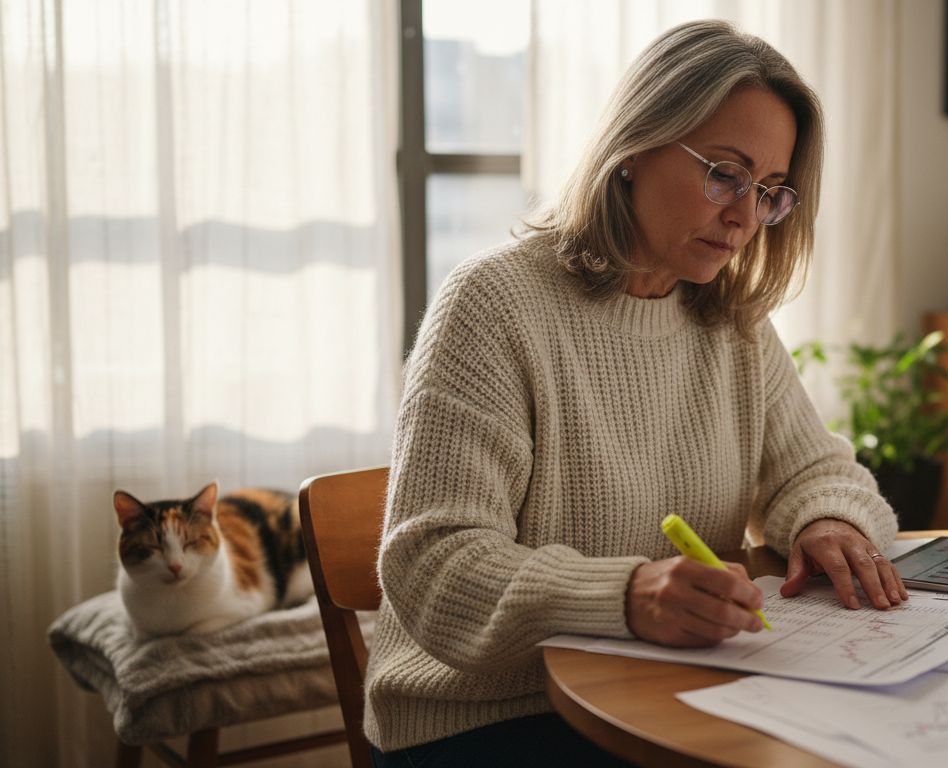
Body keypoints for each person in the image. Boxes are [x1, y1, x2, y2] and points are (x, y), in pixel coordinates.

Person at [366, 20, 906, 766]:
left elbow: (820, 472)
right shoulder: (494, 304)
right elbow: (432, 565)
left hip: (675, 688)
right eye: (724, 172)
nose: (747, 216)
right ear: (634, 150)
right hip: (489, 717)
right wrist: (625, 597)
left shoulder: (730, 320)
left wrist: (826, 522)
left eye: (771, 192)